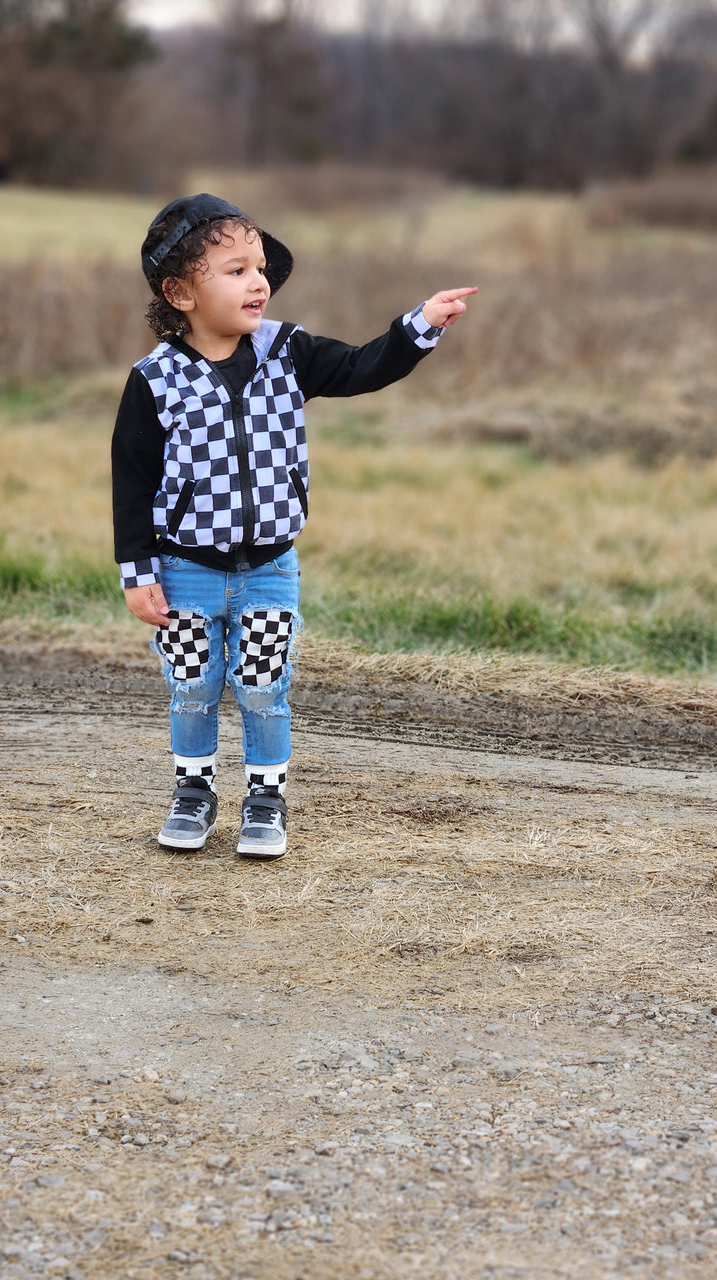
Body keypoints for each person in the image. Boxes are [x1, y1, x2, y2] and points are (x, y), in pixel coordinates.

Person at [111, 192, 475, 859]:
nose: (259, 282)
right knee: (192, 686)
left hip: (271, 569)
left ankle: (264, 800)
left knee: (261, 684)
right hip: (185, 568)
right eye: (236, 270)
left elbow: (364, 366)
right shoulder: (155, 380)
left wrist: (419, 325)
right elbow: (132, 481)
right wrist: (138, 574)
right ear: (181, 293)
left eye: (260, 268)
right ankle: (193, 793)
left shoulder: (287, 351)